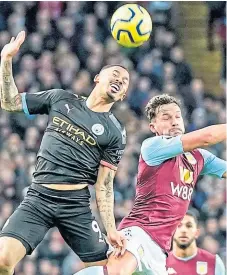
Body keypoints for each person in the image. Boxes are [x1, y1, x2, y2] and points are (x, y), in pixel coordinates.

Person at [0, 31, 130, 275]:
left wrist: (111, 229)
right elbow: (10, 102)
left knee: (110, 270)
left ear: (122, 95)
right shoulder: (60, 99)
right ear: (97, 78)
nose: (120, 80)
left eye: (124, 82)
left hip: (75, 206)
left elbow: (104, 185)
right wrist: (6, 59)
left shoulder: (115, 131)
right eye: (115, 74)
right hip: (38, 198)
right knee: (2, 260)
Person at [76, 94, 226, 275]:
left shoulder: (199, 157)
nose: (174, 122)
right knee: (116, 273)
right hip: (139, 232)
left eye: (178, 116)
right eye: (166, 117)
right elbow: (207, 136)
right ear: (153, 127)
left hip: (161, 249)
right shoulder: (153, 147)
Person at [166, 210, 225, 275]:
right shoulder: (162, 263)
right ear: (171, 232)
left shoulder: (215, 262)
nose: (184, 230)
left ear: (197, 233)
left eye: (189, 226)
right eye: (179, 225)